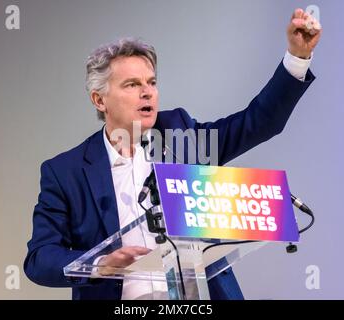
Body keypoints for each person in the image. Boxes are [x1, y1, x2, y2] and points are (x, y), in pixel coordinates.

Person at [24, 8, 322, 300]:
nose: (147, 92)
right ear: (99, 99)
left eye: (151, 82)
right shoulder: (66, 171)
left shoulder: (179, 136)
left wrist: (297, 57)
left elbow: (257, 123)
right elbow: (40, 258)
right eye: (132, 84)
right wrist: (100, 264)